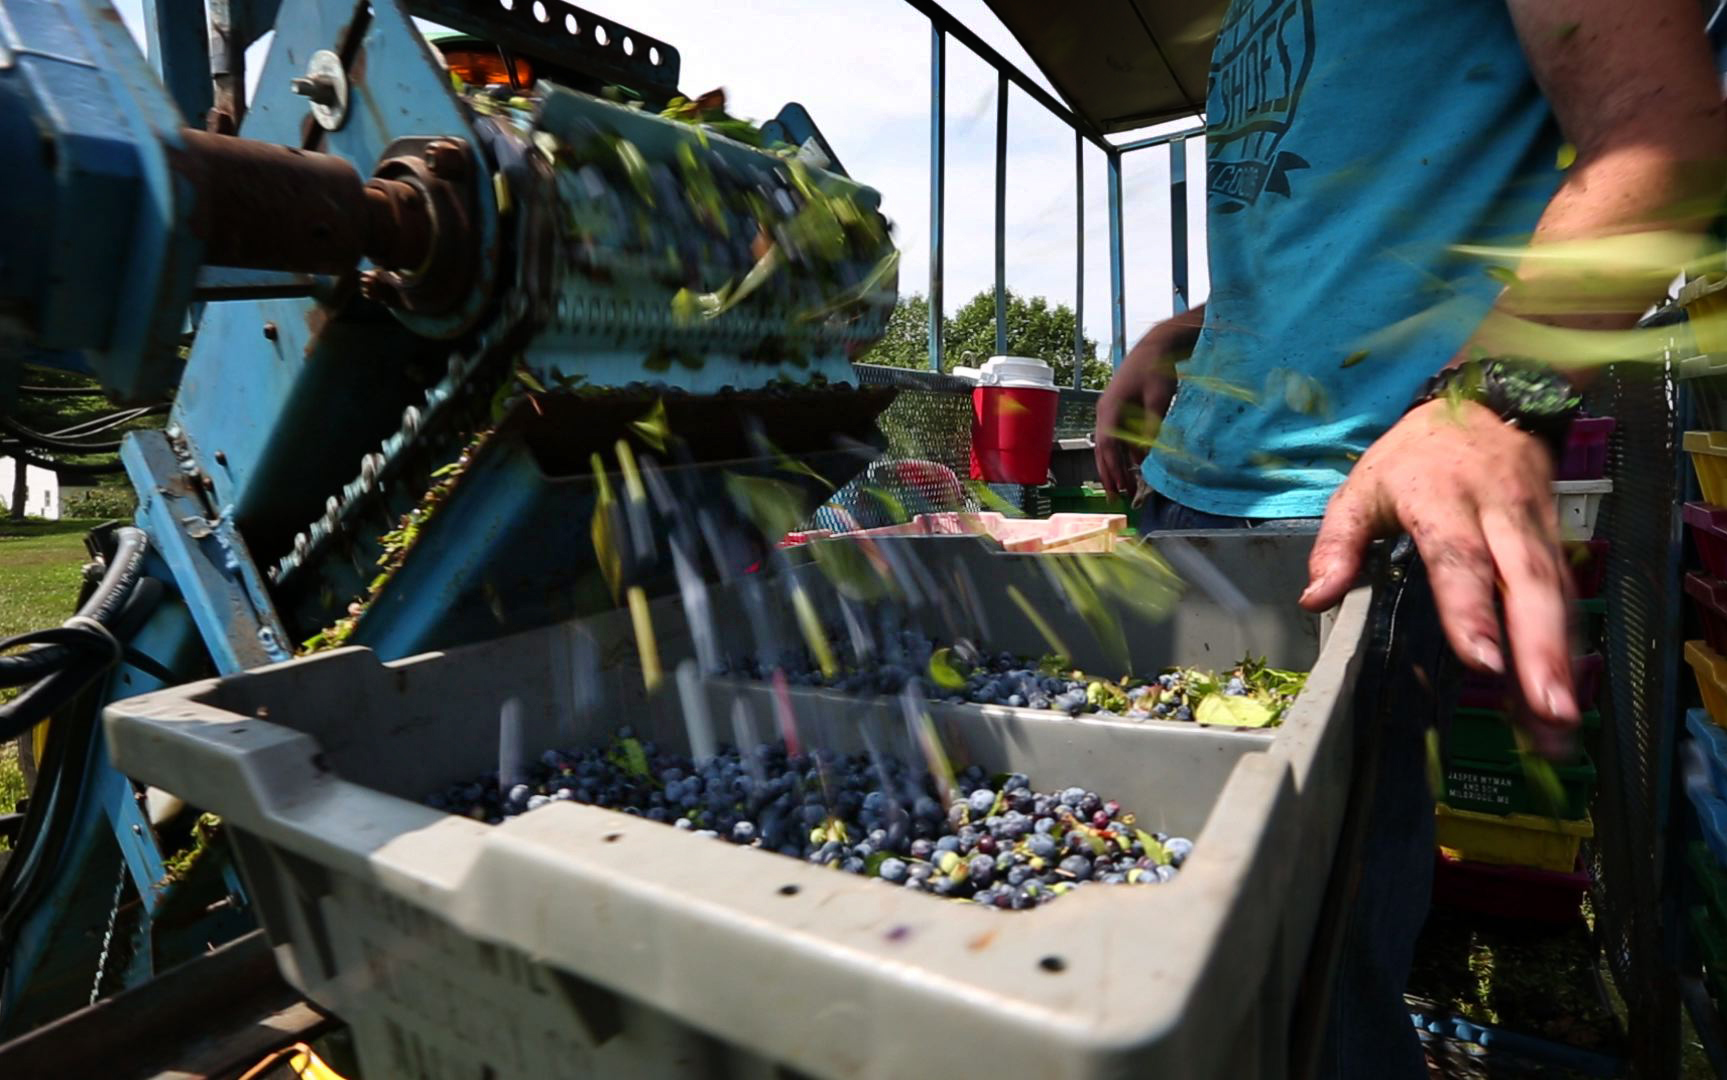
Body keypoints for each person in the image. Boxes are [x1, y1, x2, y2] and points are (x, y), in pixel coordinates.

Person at [1094, 0, 1726, 1075]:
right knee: (1150, 912)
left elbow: (1664, 142)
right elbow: (1337, 232)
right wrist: (1186, 328)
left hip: (1345, 521)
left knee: (1304, 989)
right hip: (1182, 494)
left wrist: (1489, 400)